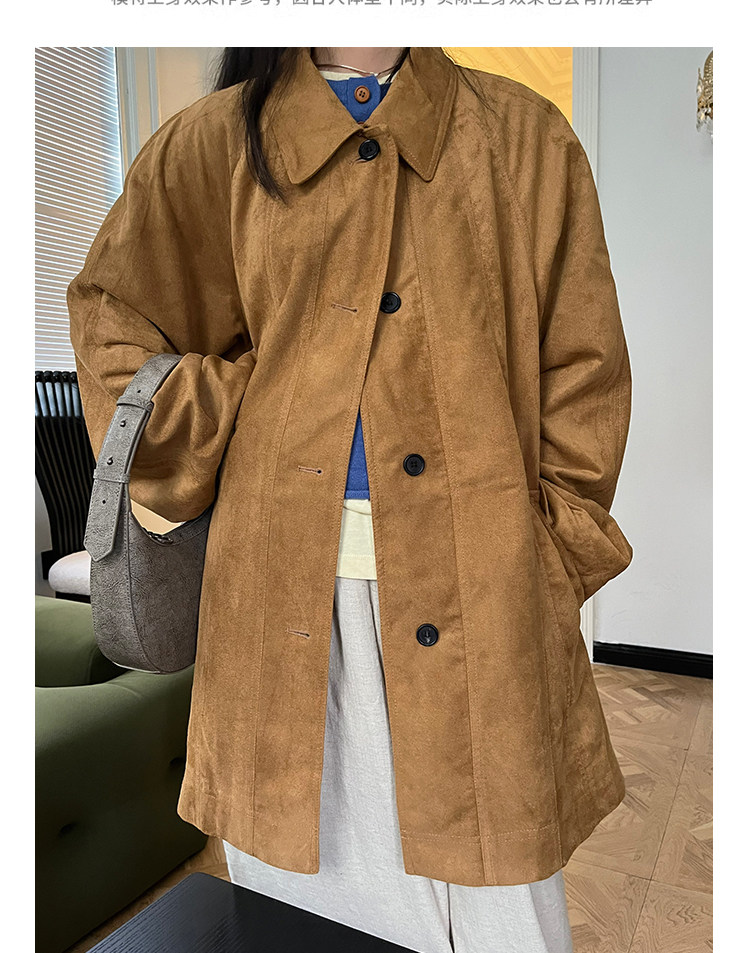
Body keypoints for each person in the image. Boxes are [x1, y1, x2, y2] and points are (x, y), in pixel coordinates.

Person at [68, 47, 633, 953]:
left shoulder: (524, 140)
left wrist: (548, 560)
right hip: (276, 612)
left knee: (505, 916)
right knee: (306, 913)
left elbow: (584, 372)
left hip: (486, 601)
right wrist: (262, 397)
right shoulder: (212, 146)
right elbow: (113, 329)